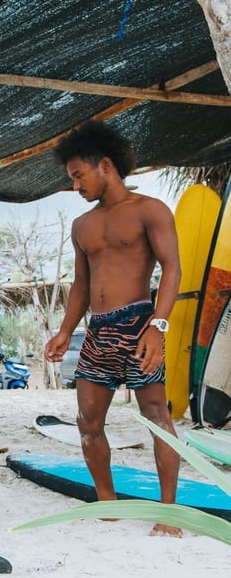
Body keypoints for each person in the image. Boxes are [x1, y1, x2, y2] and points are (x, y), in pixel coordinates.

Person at [44, 121, 183, 538]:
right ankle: (107, 503)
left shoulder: (150, 210)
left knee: (156, 417)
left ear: (104, 165)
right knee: (87, 421)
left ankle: (169, 513)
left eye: (78, 175)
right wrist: (66, 331)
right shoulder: (81, 226)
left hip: (140, 324)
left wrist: (158, 327)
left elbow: (173, 269)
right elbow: (81, 285)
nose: (75, 186)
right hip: (98, 331)